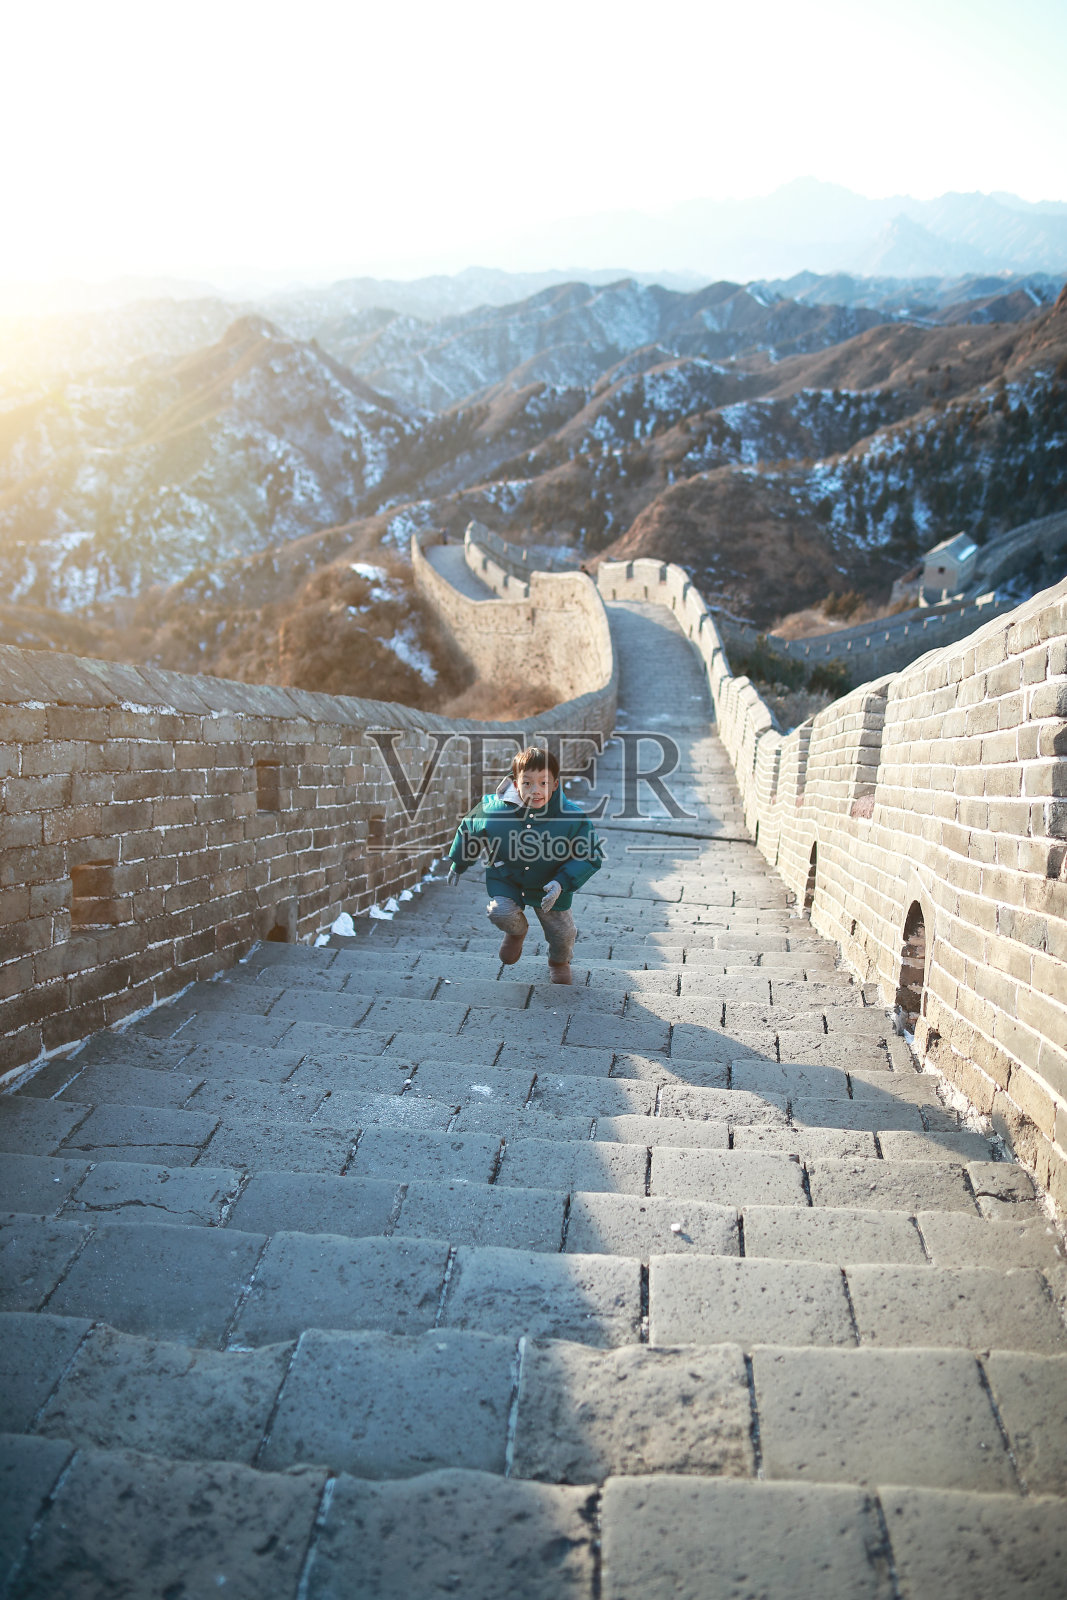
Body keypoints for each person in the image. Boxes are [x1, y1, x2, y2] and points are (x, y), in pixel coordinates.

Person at [446, 746, 602, 984]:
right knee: (500, 912)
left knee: (562, 934)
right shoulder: (493, 809)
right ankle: (517, 932)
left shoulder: (572, 817)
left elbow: (590, 854)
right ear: (516, 784)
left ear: (555, 784)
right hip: (507, 878)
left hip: (550, 884)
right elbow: (468, 831)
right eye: (527, 783)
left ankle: (559, 962)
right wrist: (458, 862)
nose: (535, 791)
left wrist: (562, 883)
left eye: (543, 783)